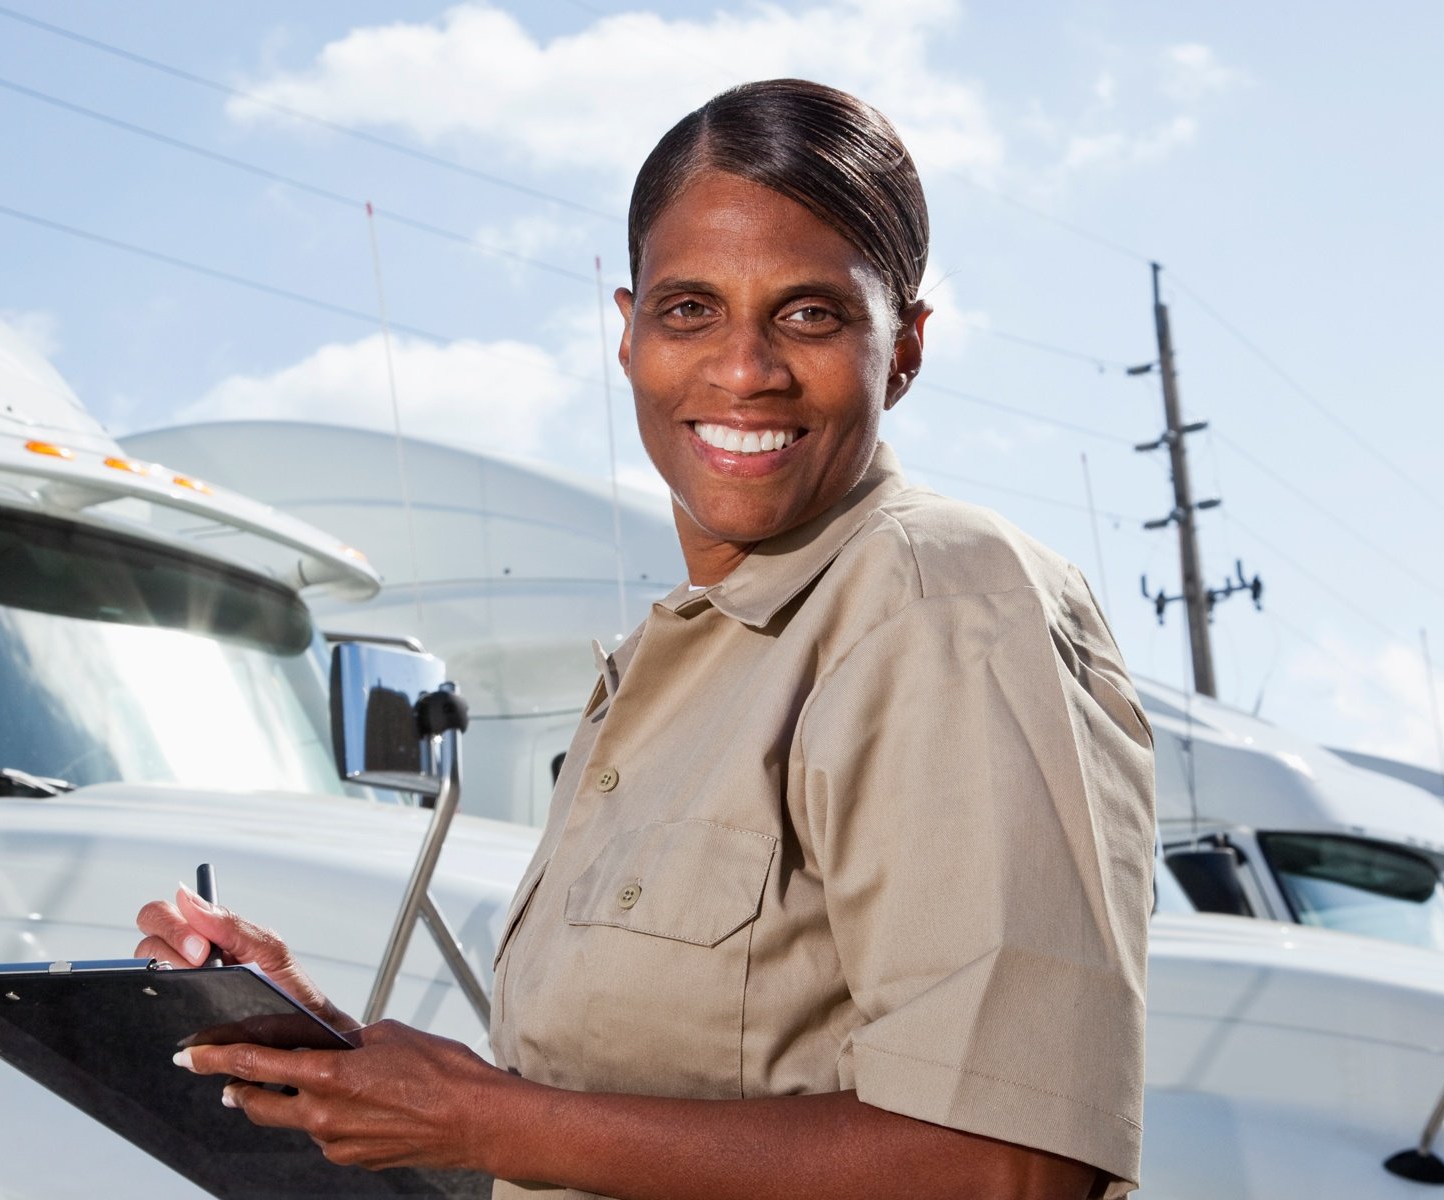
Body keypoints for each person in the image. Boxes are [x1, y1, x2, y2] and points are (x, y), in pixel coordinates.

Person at [136, 78, 1156, 1200]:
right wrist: (342, 1067)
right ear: (627, 336)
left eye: (810, 314)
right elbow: (599, 1122)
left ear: (903, 349)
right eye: (690, 310)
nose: (744, 368)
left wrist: (490, 1123)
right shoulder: (671, 662)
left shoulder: (938, 598)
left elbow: (1009, 1166)